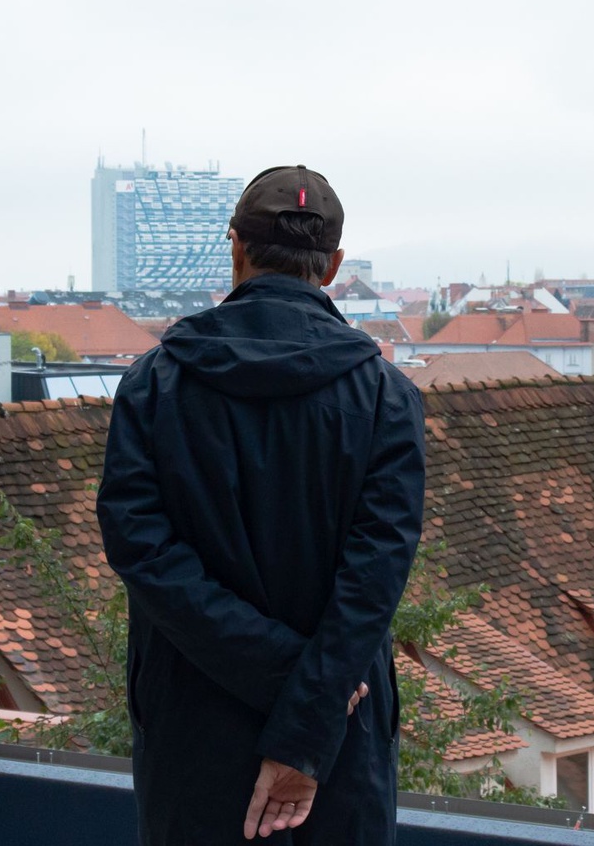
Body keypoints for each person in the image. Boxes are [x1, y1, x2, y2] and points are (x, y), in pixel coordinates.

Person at [96, 165, 426, 844]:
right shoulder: (386, 399)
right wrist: (307, 718)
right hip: (341, 736)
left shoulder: (153, 385)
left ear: (236, 248)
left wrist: (279, 673)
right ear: (332, 266)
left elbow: (142, 551)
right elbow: (372, 584)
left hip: (191, 730)